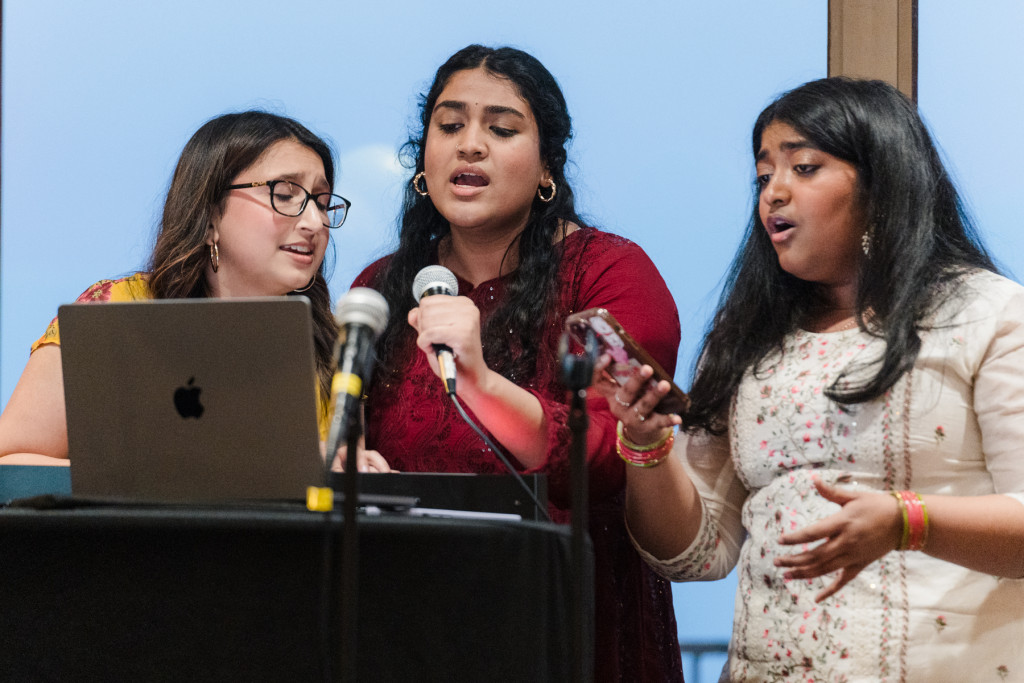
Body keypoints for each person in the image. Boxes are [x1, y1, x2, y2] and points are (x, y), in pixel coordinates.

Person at [598, 76, 1024, 681]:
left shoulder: (988, 313)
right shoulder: (745, 337)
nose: (773, 193)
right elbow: (695, 553)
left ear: (881, 183)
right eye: (763, 176)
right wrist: (644, 445)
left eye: (803, 167)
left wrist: (907, 521)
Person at [352, 45, 685, 681]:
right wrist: (347, 456)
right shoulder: (382, 287)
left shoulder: (611, 273)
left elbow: (611, 454)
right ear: (422, 160)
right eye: (449, 126)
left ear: (546, 170)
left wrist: (479, 383)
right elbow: (342, 426)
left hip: (563, 619)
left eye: (501, 129)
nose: (469, 145)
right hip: (409, 621)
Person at [0, 111, 356, 466]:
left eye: (322, 203)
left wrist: (349, 471)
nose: (315, 222)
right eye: (285, 193)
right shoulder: (117, 312)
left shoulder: (335, 348)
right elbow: (10, 458)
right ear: (211, 215)